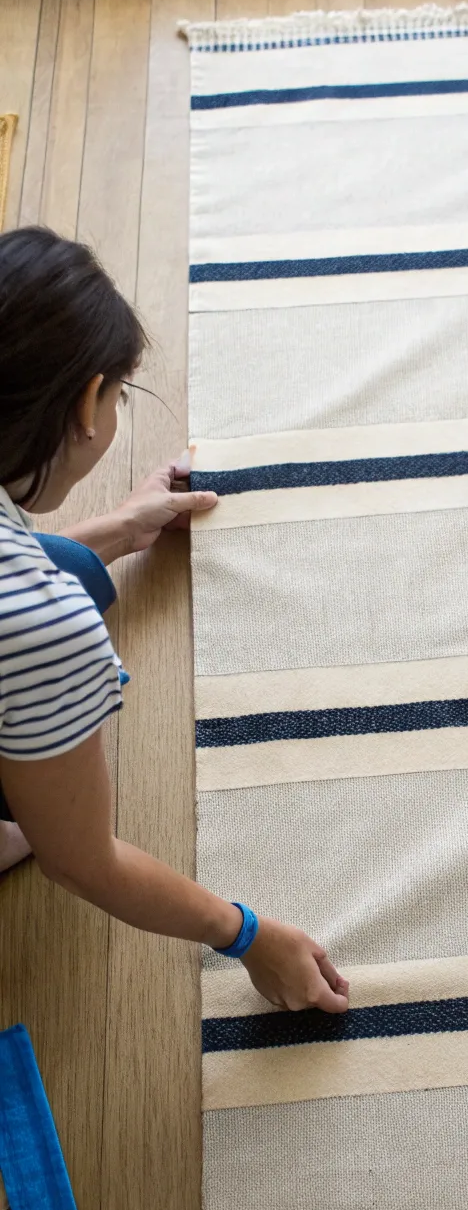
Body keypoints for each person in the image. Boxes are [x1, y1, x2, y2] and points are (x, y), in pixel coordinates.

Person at [0, 226, 348, 1015]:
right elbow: (83, 862)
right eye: (120, 395)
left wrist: (121, 530)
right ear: (88, 401)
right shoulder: (44, 623)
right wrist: (250, 934)